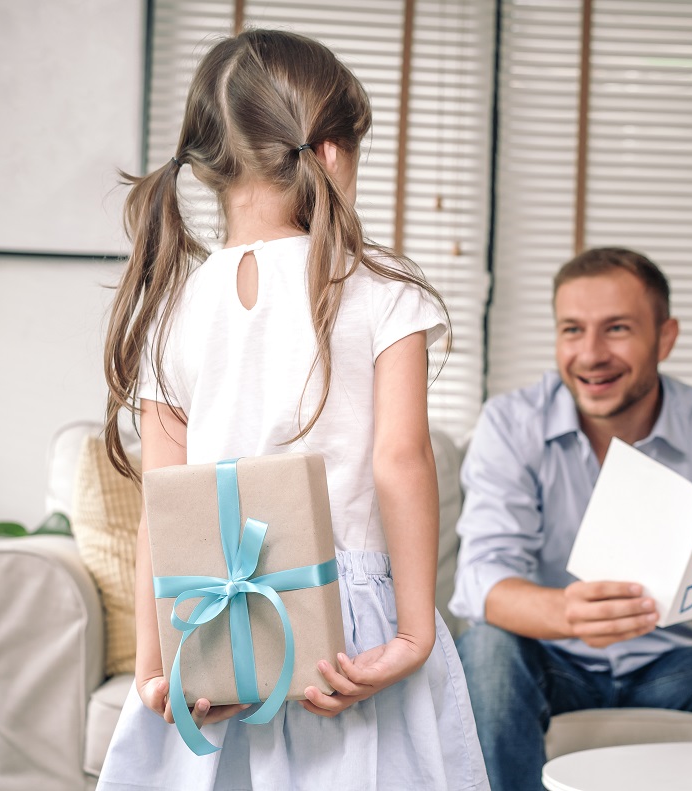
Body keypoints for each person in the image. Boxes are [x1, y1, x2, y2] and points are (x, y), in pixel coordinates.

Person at [97, 29, 489, 791]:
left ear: (208, 164)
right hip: (350, 619)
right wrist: (412, 634)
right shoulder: (381, 287)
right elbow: (401, 461)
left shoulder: (173, 306)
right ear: (334, 152)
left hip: (211, 621)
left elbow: (161, 508)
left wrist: (155, 669)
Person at [450, 247, 692, 791]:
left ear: (665, 337)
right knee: (486, 649)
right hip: (548, 663)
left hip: (672, 669)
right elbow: (480, 580)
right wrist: (565, 612)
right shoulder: (511, 425)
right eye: (572, 330)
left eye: (618, 329)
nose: (590, 354)